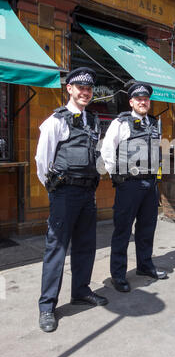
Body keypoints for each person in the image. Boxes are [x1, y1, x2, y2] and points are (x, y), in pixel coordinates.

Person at [35, 67, 108, 333]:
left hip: (87, 193)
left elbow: (96, 157)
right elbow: (42, 161)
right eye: (81, 88)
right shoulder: (56, 120)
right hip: (64, 193)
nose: (85, 92)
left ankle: (81, 291)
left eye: (89, 89)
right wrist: (53, 188)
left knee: (86, 246)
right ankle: (47, 306)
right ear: (70, 89)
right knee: (56, 249)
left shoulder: (93, 121)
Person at [100, 81, 167, 293]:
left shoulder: (154, 123)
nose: (143, 102)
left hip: (150, 184)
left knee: (147, 228)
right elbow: (107, 150)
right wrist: (116, 175)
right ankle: (118, 275)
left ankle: (145, 266)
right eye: (138, 99)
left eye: (146, 99)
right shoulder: (121, 122)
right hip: (129, 184)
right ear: (131, 102)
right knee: (123, 230)